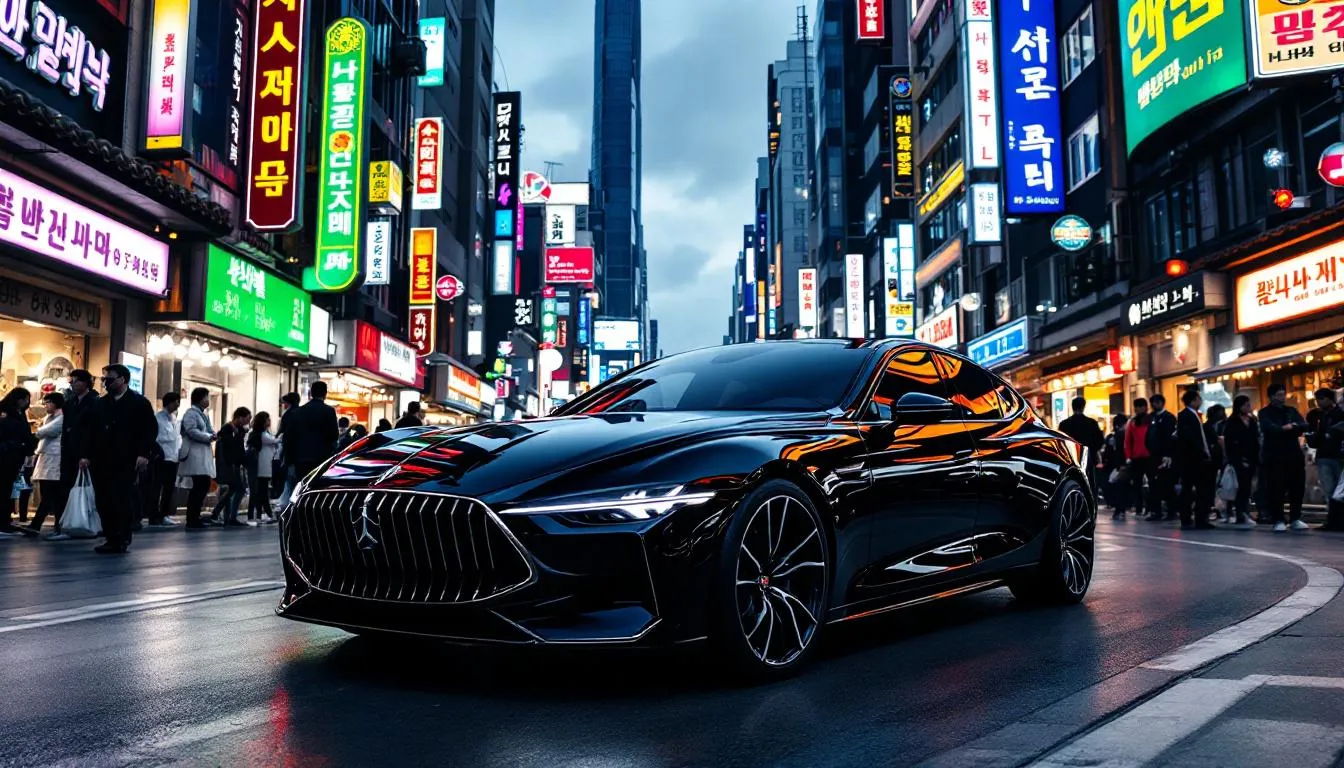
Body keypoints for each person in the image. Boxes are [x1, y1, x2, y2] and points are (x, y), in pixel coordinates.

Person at [77, 365, 157, 554]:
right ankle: (111, 536)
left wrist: (144, 454)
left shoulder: (139, 403)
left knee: (121, 498)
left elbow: (149, 430)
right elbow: (90, 431)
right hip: (101, 458)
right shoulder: (100, 403)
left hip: (126, 458)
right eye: (104, 380)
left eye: (110, 379)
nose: (106, 383)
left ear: (123, 380)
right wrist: (85, 455)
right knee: (103, 499)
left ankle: (122, 537)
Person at [1258, 383, 1310, 532]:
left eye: (1283, 394)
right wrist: (1285, 428)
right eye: (1279, 395)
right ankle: (1278, 519)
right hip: (1274, 455)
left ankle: (1295, 518)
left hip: (1294, 454)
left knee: (1297, 486)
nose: (1282, 398)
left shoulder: (1291, 410)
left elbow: (1303, 426)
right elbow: (1270, 429)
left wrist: (1290, 427)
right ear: (1271, 396)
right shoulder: (1264, 413)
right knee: (1276, 488)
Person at [22, 393, 64, 537]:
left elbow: (48, 431)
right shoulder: (48, 417)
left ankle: (39, 524)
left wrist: (37, 431)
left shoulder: (61, 417)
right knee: (49, 493)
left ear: (55, 403)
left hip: (55, 459)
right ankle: (43, 524)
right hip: (45, 458)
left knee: (52, 494)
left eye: (47, 403)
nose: (45, 405)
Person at [284, 381, 340, 484]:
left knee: (303, 488)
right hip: (322, 459)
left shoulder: (298, 412)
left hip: (301, 459)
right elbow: (334, 435)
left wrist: (289, 461)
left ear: (311, 393)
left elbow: (289, 438)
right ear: (325, 394)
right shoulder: (329, 411)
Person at [177, 388, 217, 530]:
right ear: (200, 398)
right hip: (195, 454)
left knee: (202, 485)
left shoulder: (203, 414)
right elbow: (191, 430)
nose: (208, 400)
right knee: (199, 486)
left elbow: (209, 429)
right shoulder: (191, 413)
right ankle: (192, 519)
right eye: (207, 397)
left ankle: (195, 518)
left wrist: (213, 434)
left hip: (202, 454)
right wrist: (208, 436)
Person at [1175, 389, 1215, 529]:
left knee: (1198, 489)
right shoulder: (1185, 415)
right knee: (1193, 489)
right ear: (1193, 400)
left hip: (1195, 459)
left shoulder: (1196, 416)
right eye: (1199, 398)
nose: (1201, 401)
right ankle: (1191, 518)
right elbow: (1189, 437)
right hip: (1192, 459)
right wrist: (1202, 451)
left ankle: (1199, 518)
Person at [1307, 388, 1344, 531]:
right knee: (1329, 489)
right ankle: (1332, 519)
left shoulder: (1339, 414)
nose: (1319, 402)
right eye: (1317, 399)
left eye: (1321, 398)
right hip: (1324, 455)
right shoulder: (1317, 415)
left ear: (1330, 399)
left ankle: (1338, 519)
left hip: (1338, 455)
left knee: (1338, 490)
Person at [0, 388, 35, 536]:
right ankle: (3, 520)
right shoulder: (7, 414)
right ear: (19, 399)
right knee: (4, 488)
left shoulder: (18, 414)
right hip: (6, 455)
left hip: (14, 456)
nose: (28, 403)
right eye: (27, 399)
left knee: (7, 488)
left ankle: (5, 519)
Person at [1222, 394, 1260, 529]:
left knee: (1247, 487)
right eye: (1246, 405)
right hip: (1238, 459)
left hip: (1252, 457)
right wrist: (1234, 458)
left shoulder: (1252, 421)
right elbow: (1229, 442)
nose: (1248, 407)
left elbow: (1256, 439)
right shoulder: (1232, 422)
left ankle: (1243, 511)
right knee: (1239, 487)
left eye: (1249, 404)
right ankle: (1239, 512)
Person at [212, 407, 252, 527]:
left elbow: (239, 448)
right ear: (240, 417)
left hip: (235, 464)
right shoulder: (227, 428)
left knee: (234, 489)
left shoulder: (239, 430)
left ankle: (228, 517)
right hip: (228, 464)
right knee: (237, 488)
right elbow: (229, 446)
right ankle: (219, 513)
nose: (248, 422)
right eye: (247, 418)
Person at [1058, 397, 1105, 490]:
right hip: (1088, 458)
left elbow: (1060, 442)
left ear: (1072, 407)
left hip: (1070, 460)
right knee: (1090, 485)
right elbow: (1100, 441)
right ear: (1084, 407)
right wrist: (1093, 450)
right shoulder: (1092, 423)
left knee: (1072, 485)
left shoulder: (1064, 424)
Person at [1145, 394, 1179, 521]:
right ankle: (1156, 511)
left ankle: (1171, 510)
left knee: (1167, 483)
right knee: (1153, 484)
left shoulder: (1168, 418)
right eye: (1153, 403)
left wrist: (1168, 454)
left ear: (1162, 403)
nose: (1154, 405)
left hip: (1165, 456)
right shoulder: (1151, 418)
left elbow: (1170, 438)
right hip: (1153, 456)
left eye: (1157, 402)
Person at [151, 392, 182, 527]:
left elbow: (176, 438)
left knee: (169, 488)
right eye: (176, 402)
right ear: (169, 403)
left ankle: (164, 515)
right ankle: (154, 517)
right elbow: (156, 438)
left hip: (173, 458)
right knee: (157, 488)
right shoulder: (158, 418)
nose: (177, 404)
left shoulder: (174, 418)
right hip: (162, 458)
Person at [246, 411, 278, 524]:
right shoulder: (262, 435)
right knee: (262, 492)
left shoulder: (259, 433)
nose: (269, 421)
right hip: (262, 467)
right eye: (267, 419)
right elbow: (275, 441)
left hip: (262, 467)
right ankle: (263, 514)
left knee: (261, 492)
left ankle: (259, 515)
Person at [1125, 398, 1152, 519]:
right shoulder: (1132, 422)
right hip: (1136, 457)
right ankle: (1139, 507)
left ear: (1146, 407)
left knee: (1151, 483)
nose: (1139, 409)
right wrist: (1128, 456)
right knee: (1137, 484)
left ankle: (1150, 507)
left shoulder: (1151, 420)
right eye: (1137, 406)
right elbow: (1128, 441)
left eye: (1141, 406)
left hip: (1150, 456)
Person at [1101, 414, 1129, 519]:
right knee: (1121, 488)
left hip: (1113, 466)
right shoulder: (1124, 435)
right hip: (1121, 465)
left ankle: (1118, 510)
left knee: (1116, 488)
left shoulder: (1111, 437)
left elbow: (1107, 452)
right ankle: (1120, 510)